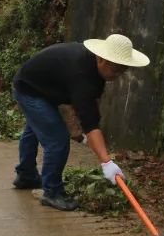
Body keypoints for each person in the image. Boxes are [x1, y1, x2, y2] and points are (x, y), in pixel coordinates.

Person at [11, 34, 150, 211]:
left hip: (46, 87)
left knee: (35, 129)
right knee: (57, 139)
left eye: (122, 71)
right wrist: (106, 162)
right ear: (101, 59)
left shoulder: (95, 70)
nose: (117, 75)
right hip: (29, 89)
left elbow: (88, 106)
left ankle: (26, 175)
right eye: (115, 70)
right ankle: (52, 192)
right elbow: (90, 121)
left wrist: (88, 135)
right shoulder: (83, 74)